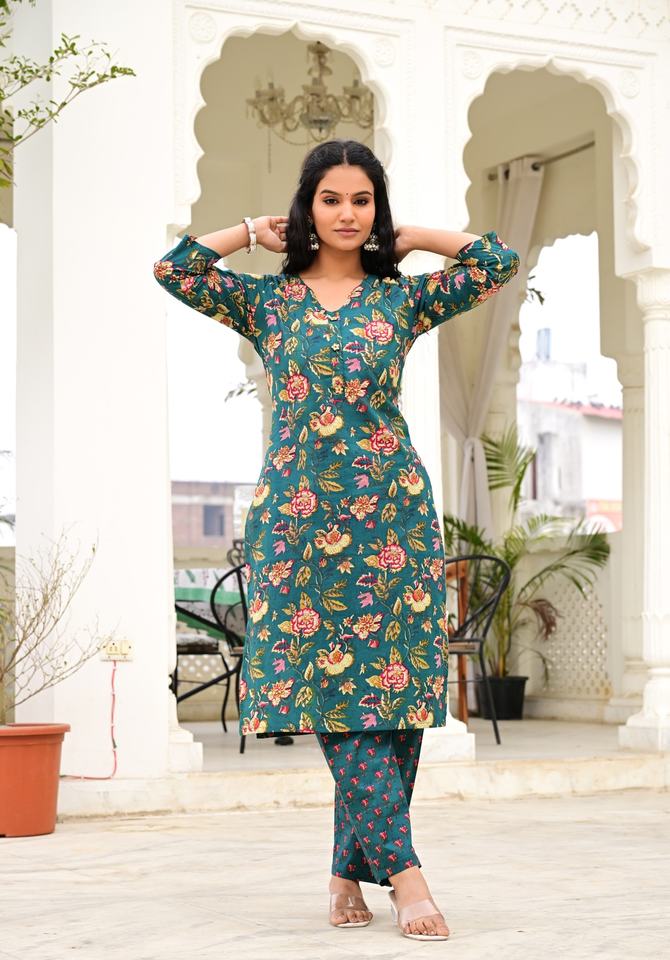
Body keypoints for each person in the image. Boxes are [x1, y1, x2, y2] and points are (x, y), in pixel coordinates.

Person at [153, 139, 520, 941]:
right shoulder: (269, 302)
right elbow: (175, 270)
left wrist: (414, 237)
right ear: (307, 207)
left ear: (375, 209)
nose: (347, 214)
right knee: (333, 695)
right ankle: (407, 874)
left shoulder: (401, 302)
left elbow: (497, 262)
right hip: (298, 523)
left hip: (393, 520)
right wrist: (250, 231)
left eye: (362, 200)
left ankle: (345, 872)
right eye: (331, 199)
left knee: (393, 699)